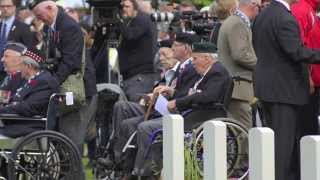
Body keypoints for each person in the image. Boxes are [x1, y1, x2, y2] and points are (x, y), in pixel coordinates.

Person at [117, 42, 230, 179]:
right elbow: (192, 94)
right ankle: (132, 168)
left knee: (146, 127)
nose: (193, 63)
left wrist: (177, 102)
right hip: (188, 114)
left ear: (207, 58)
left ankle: (145, 172)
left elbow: (207, 96)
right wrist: (172, 93)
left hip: (200, 117)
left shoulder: (217, 72)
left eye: (195, 59)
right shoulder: (206, 73)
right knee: (140, 123)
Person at [252, 0, 320, 179]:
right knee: (283, 145)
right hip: (284, 90)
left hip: (268, 87)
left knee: (276, 142)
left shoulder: (263, 15)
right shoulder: (285, 18)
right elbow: (295, 52)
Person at [29, 0, 97, 154]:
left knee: (71, 139)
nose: (40, 19)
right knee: (62, 137)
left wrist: (50, 83)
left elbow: (70, 61)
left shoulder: (69, 27)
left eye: (40, 15)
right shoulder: (49, 27)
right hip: (64, 88)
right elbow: (51, 57)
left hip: (79, 90)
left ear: (50, 8)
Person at [0, 42, 59, 138]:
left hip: (30, 126)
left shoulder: (44, 82)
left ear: (28, 66)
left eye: (21, 64)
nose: (19, 67)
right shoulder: (34, 80)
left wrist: (3, 109)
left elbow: (28, 107)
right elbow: (13, 100)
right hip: (22, 123)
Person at [217, 0, 260, 129]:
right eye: (259, 7)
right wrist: (261, 66)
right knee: (242, 131)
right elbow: (240, 55)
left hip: (234, 86)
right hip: (238, 88)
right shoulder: (237, 24)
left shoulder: (233, 21)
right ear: (253, 6)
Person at [117, 0, 158, 102]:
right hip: (131, 76)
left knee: (135, 107)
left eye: (127, 6)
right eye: (122, 7)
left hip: (140, 77)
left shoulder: (142, 19)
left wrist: (117, 20)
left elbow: (131, 35)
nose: (124, 9)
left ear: (135, 7)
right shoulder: (130, 22)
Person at [291, 0, 320, 136]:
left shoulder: (309, 10)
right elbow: (299, 48)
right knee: (307, 128)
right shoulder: (303, 10)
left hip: (313, 78)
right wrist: (307, 77)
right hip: (309, 81)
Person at [0, 0, 35, 79]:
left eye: (8, 6)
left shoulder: (24, 27)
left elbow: (29, 49)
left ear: (14, 7)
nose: (5, 9)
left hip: (14, 71)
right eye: (2, 6)